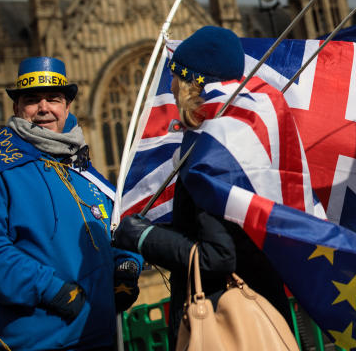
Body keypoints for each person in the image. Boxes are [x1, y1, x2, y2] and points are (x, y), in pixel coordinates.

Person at [113, 26, 291, 347]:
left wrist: (143, 236)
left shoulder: (213, 152)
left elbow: (218, 257)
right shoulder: (248, 136)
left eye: (175, 79)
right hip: (266, 311)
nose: (170, 86)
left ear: (191, 86)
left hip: (228, 323)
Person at [0, 56, 142, 351]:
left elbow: (113, 227)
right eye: (32, 100)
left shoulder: (80, 166)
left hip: (103, 335)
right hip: (41, 341)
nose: (44, 108)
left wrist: (127, 265)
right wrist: (50, 289)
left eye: (53, 98)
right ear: (17, 108)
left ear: (66, 106)